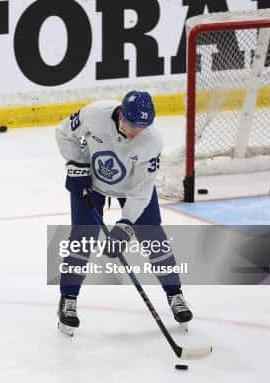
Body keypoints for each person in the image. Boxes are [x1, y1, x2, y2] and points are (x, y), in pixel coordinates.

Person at [55, 90, 192, 336]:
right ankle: (68, 299)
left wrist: (126, 224)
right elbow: (64, 132)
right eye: (131, 124)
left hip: (131, 188)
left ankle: (175, 294)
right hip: (91, 183)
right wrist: (77, 165)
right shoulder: (95, 113)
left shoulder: (151, 141)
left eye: (142, 127)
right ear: (120, 113)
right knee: (82, 238)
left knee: (152, 237)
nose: (135, 132)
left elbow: (141, 191)